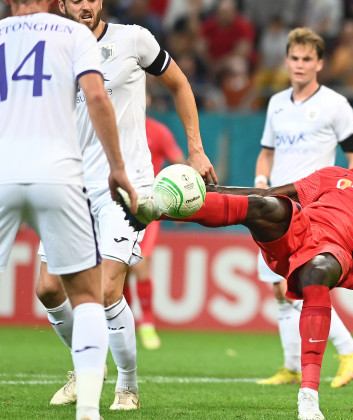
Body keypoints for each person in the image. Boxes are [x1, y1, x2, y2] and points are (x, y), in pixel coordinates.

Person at [119, 133, 353, 420]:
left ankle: (308, 397)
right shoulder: (336, 175)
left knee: (317, 273)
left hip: (339, 252)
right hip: (300, 228)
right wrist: (211, 191)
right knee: (260, 206)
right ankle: (153, 209)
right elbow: (268, 193)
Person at [35, 0, 218, 411]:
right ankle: (88, 364)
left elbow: (180, 84)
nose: (84, 5)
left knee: (104, 289)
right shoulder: (50, 50)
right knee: (47, 289)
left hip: (126, 186)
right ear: (62, 4)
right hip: (69, 186)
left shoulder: (133, 39)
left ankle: (128, 386)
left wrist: (195, 149)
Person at [0, 1, 138, 419]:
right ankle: (90, 411)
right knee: (86, 295)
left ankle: (111, 385)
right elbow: (96, 95)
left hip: (3, 171)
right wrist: (118, 166)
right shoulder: (75, 35)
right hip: (59, 174)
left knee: (74, 291)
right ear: (52, 2)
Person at [254, 27, 353, 388]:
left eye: (307, 59)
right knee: (279, 287)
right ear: (286, 60)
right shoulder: (276, 104)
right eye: (295, 58)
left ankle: (350, 348)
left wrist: (349, 199)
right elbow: (267, 152)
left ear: (320, 63)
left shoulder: (335, 104)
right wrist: (261, 181)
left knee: (303, 284)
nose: (300, 65)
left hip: (313, 208)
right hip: (276, 204)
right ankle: (291, 366)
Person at [124, 114, 186, 350]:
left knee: (139, 264)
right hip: (116, 205)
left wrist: (182, 202)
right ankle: (126, 323)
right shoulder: (117, 125)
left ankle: (147, 323)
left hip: (148, 208)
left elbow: (180, 163)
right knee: (120, 269)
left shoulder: (158, 131)